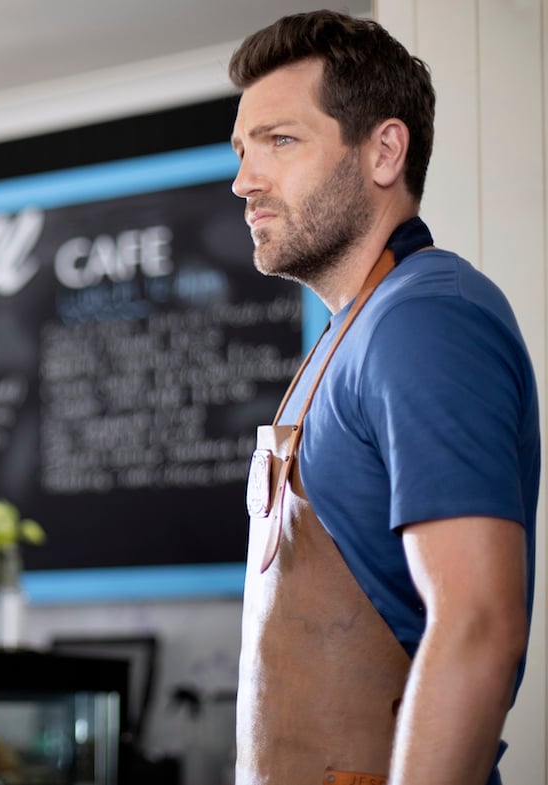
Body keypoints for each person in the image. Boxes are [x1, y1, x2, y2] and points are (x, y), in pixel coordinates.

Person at [228, 11, 538, 785]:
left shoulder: (425, 315)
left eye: (280, 141)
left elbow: (477, 624)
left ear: (385, 151)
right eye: (242, 150)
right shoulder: (345, 336)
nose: (244, 181)